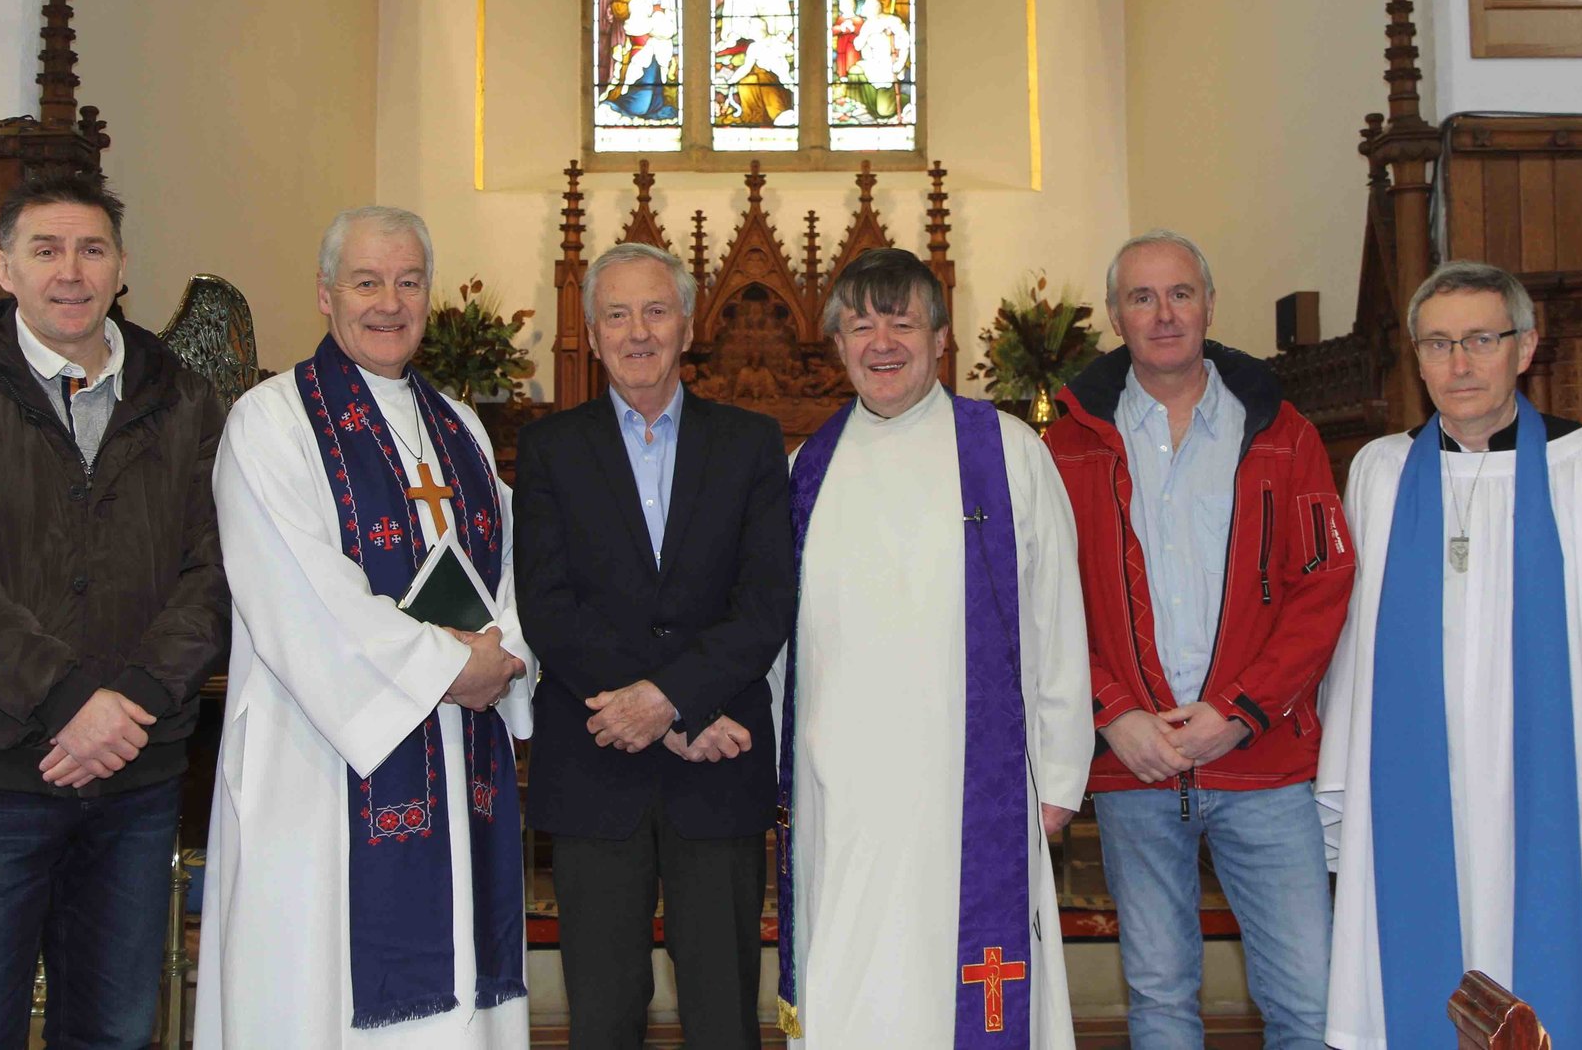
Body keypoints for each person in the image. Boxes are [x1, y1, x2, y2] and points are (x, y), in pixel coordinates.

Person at [1318, 259, 1582, 1048]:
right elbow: (1351, 661)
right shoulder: (1380, 473)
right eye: (1436, 344)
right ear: (1416, 356)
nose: (1459, 364)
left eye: (1480, 339)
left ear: (1527, 346)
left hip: (1576, 793)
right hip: (1417, 794)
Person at [0, 171, 229, 1050]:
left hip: (138, 781)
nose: (70, 271)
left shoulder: (185, 398)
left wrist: (136, 696)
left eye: (92, 249)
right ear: (4, 267)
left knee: (111, 1034)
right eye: (46, 249)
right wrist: (69, 701)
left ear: (120, 268)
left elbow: (219, 570)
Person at [195, 207, 535, 1049]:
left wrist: (509, 655)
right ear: (324, 294)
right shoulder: (270, 423)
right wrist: (447, 669)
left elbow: (512, 570)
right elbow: (302, 598)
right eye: (367, 282)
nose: (390, 302)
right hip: (320, 767)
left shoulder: (460, 425)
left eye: (409, 282)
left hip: (459, 758)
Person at [1043, 231, 1354, 1049]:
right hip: (1136, 766)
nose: (1164, 313)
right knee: (1160, 1001)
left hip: (1263, 764)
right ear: (1116, 316)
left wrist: (1239, 711)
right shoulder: (1066, 447)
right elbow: (1047, 604)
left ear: (1211, 305)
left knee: (1308, 1004)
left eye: (1180, 293)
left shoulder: (1284, 434)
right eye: (1141, 298)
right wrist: (1115, 716)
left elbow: (1321, 590)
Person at [776, 247, 1091, 1049]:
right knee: (855, 988)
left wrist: (1057, 778)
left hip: (969, 789)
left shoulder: (1008, 451)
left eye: (902, 321)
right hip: (839, 792)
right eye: (860, 325)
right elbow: (781, 644)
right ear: (838, 344)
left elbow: (1057, 619)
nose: (882, 342)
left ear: (942, 338)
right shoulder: (805, 470)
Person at [514, 240, 793, 1050]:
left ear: (687, 324)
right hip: (597, 758)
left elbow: (765, 598)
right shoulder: (550, 448)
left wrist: (673, 700)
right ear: (594, 334)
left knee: (723, 1012)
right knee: (602, 1013)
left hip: (721, 764)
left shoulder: (749, 442)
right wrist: (663, 709)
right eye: (617, 314)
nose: (638, 331)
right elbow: (549, 604)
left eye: (656, 311)